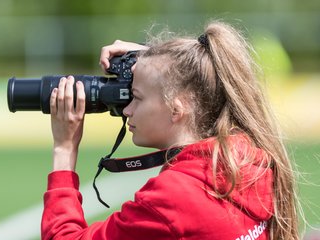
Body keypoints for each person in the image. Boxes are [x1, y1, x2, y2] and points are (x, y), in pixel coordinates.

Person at [41, 21, 300, 240]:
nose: (127, 110)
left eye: (136, 97)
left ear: (177, 109)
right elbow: (213, 82)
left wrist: (64, 149)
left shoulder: (171, 199)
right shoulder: (248, 158)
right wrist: (160, 63)